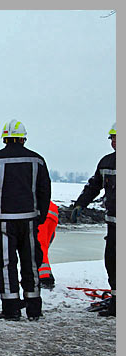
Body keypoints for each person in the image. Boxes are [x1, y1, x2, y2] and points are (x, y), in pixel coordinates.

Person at [0, 119, 51, 322]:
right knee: (31, 263)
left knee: (6, 264)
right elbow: (45, 191)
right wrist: (40, 216)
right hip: (29, 220)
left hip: (3, 221)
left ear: (4, 138)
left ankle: (11, 308)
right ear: (23, 138)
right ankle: (34, 308)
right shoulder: (38, 160)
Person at [71, 122, 116, 317]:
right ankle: (117, 302)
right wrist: (80, 204)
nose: (114, 141)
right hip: (113, 223)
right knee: (112, 263)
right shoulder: (106, 162)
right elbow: (93, 186)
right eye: (112, 138)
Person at [37, 200, 59, 289]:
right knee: (42, 248)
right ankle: (45, 275)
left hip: (42, 214)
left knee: (39, 248)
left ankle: (45, 278)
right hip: (52, 214)